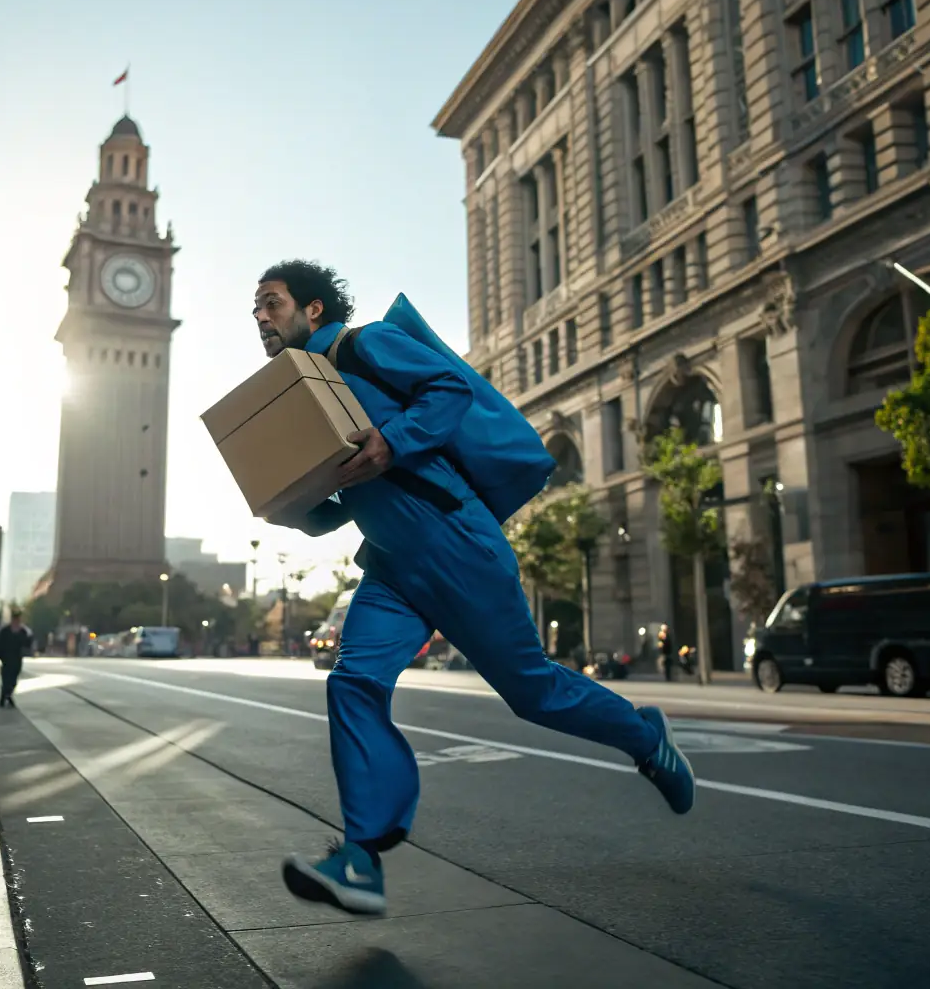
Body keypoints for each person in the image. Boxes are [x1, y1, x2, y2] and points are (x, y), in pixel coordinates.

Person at [252, 260, 695, 917]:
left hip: (457, 542)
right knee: (352, 683)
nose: (260, 319)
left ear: (312, 310)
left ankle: (643, 737)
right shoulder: (300, 398)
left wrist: (389, 442)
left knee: (532, 692)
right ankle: (361, 857)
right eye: (254, 311)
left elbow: (446, 389)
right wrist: (288, 506)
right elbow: (337, 505)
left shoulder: (361, 346)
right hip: (391, 569)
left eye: (271, 303)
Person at [0, 609, 32, 707]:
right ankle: (5, 698)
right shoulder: (5, 631)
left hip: (17, 659)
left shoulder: (22, 631)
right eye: (15, 619)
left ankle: (6, 695)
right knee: (6, 679)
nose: (17, 621)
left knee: (13, 680)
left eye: (18, 619)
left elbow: (27, 643)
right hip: (6, 658)